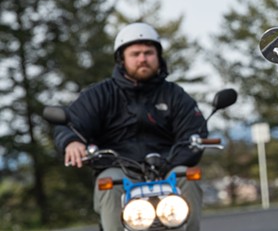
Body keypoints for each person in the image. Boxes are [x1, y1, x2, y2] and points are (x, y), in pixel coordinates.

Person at [53, 22, 207, 231]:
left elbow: (193, 130)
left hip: (167, 168)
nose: (142, 58)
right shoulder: (101, 94)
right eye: (135, 54)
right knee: (110, 181)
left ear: (158, 57)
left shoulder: (174, 95)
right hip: (120, 169)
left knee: (187, 174)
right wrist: (71, 141)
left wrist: (181, 153)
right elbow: (71, 122)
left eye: (148, 53)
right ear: (121, 59)